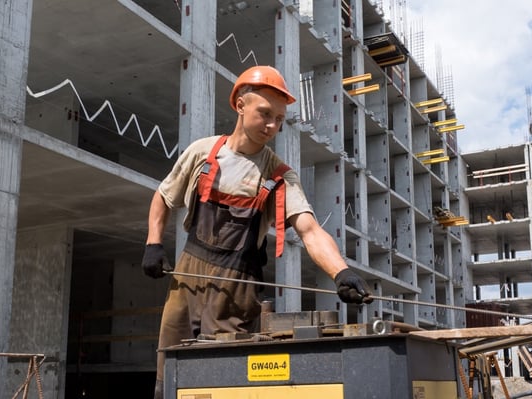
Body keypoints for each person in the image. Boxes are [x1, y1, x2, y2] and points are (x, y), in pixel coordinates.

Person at [141, 65, 372, 398]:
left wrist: (341, 272)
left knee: (224, 379)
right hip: (186, 280)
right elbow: (163, 197)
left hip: (236, 290)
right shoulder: (201, 153)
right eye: (265, 114)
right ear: (240, 106)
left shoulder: (278, 175)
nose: (272, 126)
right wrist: (153, 243)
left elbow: (309, 230)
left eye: (279, 119)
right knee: (170, 376)